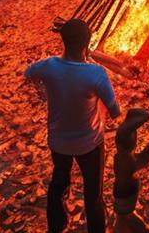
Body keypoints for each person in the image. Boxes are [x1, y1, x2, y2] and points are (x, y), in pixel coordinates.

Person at [24, 19, 121, 233]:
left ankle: (56, 225)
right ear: (87, 45)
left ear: (64, 42)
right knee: (93, 192)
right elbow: (116, 111)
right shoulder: (95, 74)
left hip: (58, 142)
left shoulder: (49, 66)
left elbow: (28, 73)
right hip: (90, 143)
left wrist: (43, 91)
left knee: (59, 182)